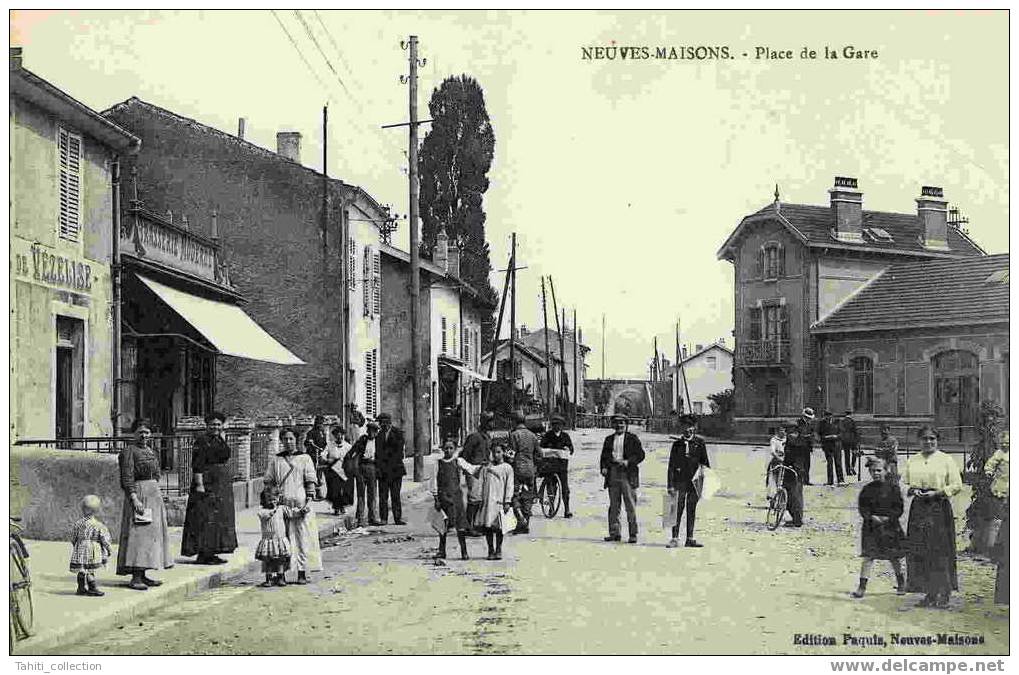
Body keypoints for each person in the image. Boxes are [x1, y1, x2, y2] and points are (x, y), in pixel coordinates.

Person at [903, 425, 963, 608]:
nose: (928, 442)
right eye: (924, 439)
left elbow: (956, 484)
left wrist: (938, 493)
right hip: (919, 508)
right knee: (920, 549)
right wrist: (912, 489)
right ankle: (929, 593)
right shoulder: (912, 460)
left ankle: (944, 592)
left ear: (937, 440)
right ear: (918, 441)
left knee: (940, 549)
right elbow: (903, 482)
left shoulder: (946, 459)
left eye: (932, 439)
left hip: (939, 507)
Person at [116, 418, 173, 590]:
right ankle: (136, 577)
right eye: (140, 432)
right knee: (138, 535)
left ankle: (145, 573)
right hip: (139, 494)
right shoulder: (128, 452)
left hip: (153, 495)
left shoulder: (151, 450)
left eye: (147, 432)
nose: (144, 435)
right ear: (133, 434)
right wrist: (134, 498)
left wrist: (155, 491)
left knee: (151, 535)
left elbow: (156, 474)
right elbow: (127, 477)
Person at [264, 426, 322, 584]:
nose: (288, 442)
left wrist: (308, 502)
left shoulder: (304, 458)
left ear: (297, 440)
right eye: (285, 439)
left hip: (300, 504)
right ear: (281, 441)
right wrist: (272, 499)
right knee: (282, 540)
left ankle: (302, 572)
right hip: (282, 506)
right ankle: (281, 574)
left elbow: (310, 482)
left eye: (291, 439)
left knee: (302, 539)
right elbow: (269, 482)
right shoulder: (276, 460)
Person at [181, 411, 238, 565]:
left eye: (218, 424)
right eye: (212, 424)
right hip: (207, 482)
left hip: (221, 485)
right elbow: (197, 465)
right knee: (205, 517)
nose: (215, 427)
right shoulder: (202, 441)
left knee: (218, 518)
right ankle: (203, 553)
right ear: (207, 425)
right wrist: (199, 485)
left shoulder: (220, 439)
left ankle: (213, 552)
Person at [851, 457, 906, 598]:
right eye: (872, 471)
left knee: (894, 557)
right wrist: (870, 517)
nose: (876, 473)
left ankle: (901, 583)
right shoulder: (866, 490)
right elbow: (862, 507)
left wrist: (889, 517)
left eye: (879, 470)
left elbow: (899, 507)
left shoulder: (893, 488)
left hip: (890, 527)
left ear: (886, 471)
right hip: (871, 527)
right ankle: (862, 587)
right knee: (868, 557)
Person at [600, 414, 645, 543]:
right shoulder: (608, 439)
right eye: (616, 423)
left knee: (630, 505)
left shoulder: (632, 439)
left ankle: (633, 534)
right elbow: (604, 456)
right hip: (613, 473)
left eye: (622, 423)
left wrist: (628, 462)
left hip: (627, 473)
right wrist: (603, 468)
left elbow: (641, 455)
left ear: (626, 425)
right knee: (614, 505)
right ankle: (614, 533)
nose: (619, 426)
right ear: (613, 425)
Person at [666, 414, 710, 548]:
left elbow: (705, 464)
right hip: (679, 481)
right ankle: (674, 538)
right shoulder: (676, 445)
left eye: (690, 427)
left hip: (694, 481)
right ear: (681, 428)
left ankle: (690, 538)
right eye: (685, 427)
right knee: (675, 508)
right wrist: (670, 485)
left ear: (694, 428)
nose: (688, 430)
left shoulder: (700, 443)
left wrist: (703, 483)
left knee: (691, 509)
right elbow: (671, 466)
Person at [430, 438, 472, 560]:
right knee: (443, 525)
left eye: (451, 448)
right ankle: (442, 551)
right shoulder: (438, 463)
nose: (448, 450)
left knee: (460, 526)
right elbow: (433, 482)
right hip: (443, 497)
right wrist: (436, 498)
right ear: (442, 449)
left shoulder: (458, 461)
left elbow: (471, 469)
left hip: (456, 497)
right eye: (446, 448)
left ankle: (464, 552)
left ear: (455, 449)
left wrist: (483, 467)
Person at [472, 441, 514, 560]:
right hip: (488, 500)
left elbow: (509, 485)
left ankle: (498, 549)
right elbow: (481, 482)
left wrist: (507, 501)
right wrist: (479, 497)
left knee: (499, 527)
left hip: (499, 501)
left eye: (499, 452)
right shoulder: (487, 468)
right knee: (488, 526)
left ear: (503, 453)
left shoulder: (507, 468)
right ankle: (490, 549)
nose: (496, 455)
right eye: (494, 452)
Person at [255, 486, 300, 588]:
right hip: (268, 540)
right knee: (268, 561)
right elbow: (266, 515)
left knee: (281, 560)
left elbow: (291, 513)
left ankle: (281, 577)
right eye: (269, 499)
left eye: (274, 499)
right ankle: (269, 578)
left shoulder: (282, 509)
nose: (272, 502)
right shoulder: (263, 511)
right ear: (264, 500)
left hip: (280, 538)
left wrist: (300, 512)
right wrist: (274, 509)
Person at [69, 495, 112, 597]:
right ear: (97, 510)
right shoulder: (98, 525)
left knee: (81, 569)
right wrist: (108, 549)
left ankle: (81, 587)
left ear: (82, 509)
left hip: (80, 548)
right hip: (93, 549)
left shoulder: (78, 524)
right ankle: (92, 588)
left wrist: (76, 545)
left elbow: (73, 537)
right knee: (90, 570)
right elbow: (104, 539)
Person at [462, 411, 494, 535]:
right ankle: (468, 527)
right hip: (474, 470)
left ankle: (476, 524)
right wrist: (469, 470)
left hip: (484, 470)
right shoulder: (474, 437)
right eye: (490, 421)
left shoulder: (487, 437)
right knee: (474, 498)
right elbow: (465, 455)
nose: (493, 424)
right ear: (485, 423)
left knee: (482, 498)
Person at [508, 412, 540, 534]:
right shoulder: (532, 436)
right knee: (527, 496)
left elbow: (510, 455)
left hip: (517, 469)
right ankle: (526, 524)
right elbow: (539, 454)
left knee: (514, 494)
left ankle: (520, 519)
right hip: (530, 469)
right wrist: (534, 465)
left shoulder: (514, 435)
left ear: (515, 422)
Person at [539, 414, 575, 518]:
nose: (557, 426)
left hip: (562, 466)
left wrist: (568, 449)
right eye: (554, 424)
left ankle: (567, 509)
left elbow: (571, 449)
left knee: (565, 488)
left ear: (562, 426)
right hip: (550, 465)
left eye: (559, 424)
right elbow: (541, 448)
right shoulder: (547, 435)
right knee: (551, 487)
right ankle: (551, 507)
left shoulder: (565, 436)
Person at [375, 412, 407, 525]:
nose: (380, 425)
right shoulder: (379, 435)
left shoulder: (398, 433)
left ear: (387, 422)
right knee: (383, 496)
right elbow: (378, 454)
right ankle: (383, 518)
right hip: (383, 471)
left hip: (395, 470)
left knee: (395, 495)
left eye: (382, 422)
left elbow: (398, 452)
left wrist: (387, 459)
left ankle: (397, 518)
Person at [350, 420, 381, 526]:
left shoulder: (379, 442)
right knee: (361, 494)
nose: (372, 433)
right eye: (370, 431)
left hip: (373, 467)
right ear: (367, 431)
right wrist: (353, 465)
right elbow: (351, 452)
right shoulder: (362, 440)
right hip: (362, 467)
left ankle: (372, 517)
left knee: (372, 494)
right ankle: (360, 518)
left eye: (374, 431)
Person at [323, 425, 353, 516]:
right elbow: (323, 454)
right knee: (334, 489)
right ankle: (336, 507)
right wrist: (327, 460)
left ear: (343, 435)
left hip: (344, 469)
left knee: (345, 489)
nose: (339, 437)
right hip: (333, 469)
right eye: (337, 435)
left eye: (341, 435)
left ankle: (342, 506)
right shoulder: (330, 445)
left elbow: (353, 457)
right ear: (335, 436)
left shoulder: (348, 446)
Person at [781, 424, 807, 527]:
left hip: (794, 472)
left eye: (788, 431)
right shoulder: (796, 440)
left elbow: (797, 457)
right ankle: (796, 518)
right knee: (792, 495)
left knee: (794, 496)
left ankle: (797, 520)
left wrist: (793, 466)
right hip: (792, 471)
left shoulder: (794, 442)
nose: (787, 434)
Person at [818, 409, 845, 486]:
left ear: (832, 416)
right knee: (829, 463)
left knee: (838, 463)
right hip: (827, 446)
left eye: (829, 416)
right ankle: (830, 481)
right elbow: (819, 434)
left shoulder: (838, 422)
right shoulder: (821, 423)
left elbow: (842, 433)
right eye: (826, 416)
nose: (827, 417)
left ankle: (840, 480)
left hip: (837, 445)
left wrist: (836, 436)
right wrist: (825, 438)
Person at [766, 427, 787, 500]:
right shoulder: (774, 440)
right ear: (777, 432)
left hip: (786, 460)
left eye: (784, 431)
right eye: (781, 431)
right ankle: (772, 496)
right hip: (776, 461)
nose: (783, 432)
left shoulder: (787, 439)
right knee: (773, 479)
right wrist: (779, 458)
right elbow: (772, 451)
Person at [798, 408, 816, 485]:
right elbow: (798, 435)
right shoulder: (798, 423)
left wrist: (811, 445)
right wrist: (806, 436)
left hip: (807, 447)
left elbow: (811, 434)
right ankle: (800, 480)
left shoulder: (809, 424)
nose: (809, 420)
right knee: (800, 464)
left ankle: (806, 480)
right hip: (800, 446)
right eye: (808, 418)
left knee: (807, 464)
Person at [840, 411, 860, 477]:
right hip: (853, 440)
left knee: (847, 455)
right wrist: (857, 440)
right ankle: (852, 467)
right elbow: (855, 431)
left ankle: (848, 470)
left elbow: (841, 430)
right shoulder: (852, 421)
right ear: (851, 414)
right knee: (854, 454)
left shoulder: (842, 421)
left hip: (845, 441)